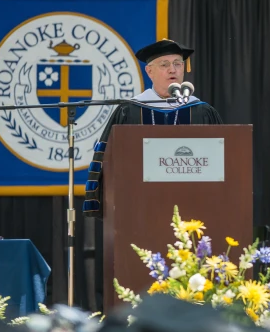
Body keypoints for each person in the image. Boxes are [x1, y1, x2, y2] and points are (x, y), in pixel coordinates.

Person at [83, 39, 223, 218]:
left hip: (195, 204)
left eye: (177, 64)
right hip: (139, 207)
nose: (172, 69)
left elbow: (221, 158)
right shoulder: (129, 110)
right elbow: (106, 158)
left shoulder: (202, 111)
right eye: (164, 64)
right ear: (149, 71)